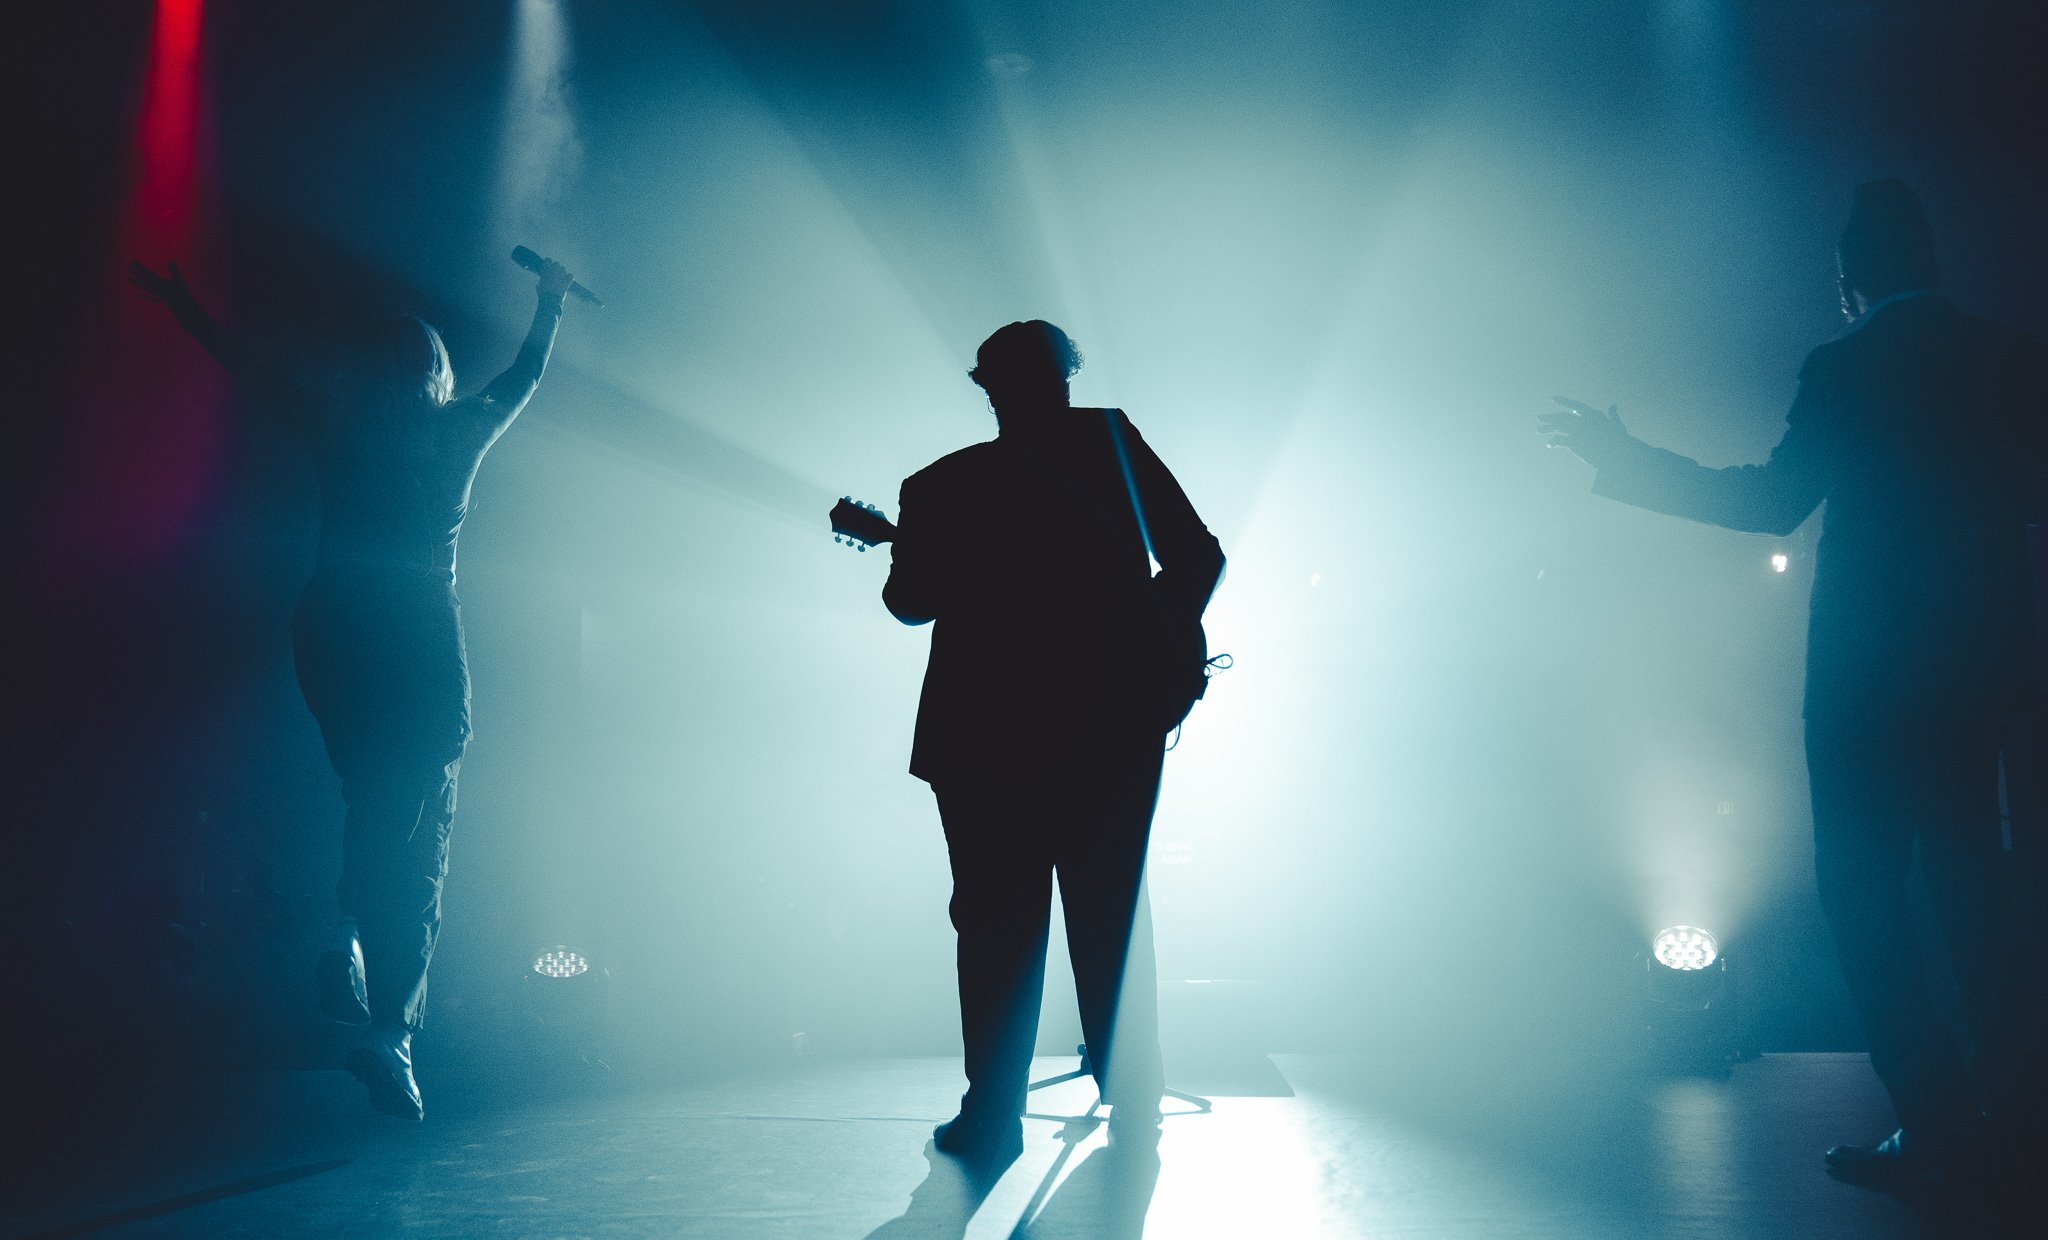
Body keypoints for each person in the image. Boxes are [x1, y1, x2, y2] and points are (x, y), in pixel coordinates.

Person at [1539, 180, 2047, 1187]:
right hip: (1977, 667)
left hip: (1862, 675)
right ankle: (2013, 1124)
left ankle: (1939, 1124)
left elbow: (1767, 502)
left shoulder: (1844, 365)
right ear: (1929, 258)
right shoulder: (2009, 359)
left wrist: (1624, 458)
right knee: (1970, 887)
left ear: (1847, 277)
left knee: (1861, 895)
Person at [129, 255, 581, 1119]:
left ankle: (345, 934)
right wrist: (549, 302)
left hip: (330, 628)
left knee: (373, 799)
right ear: (439, 374)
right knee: (423, 831)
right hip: (414, 635)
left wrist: (184, 303)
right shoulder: (458, 432)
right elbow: (521, 378)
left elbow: (250, 367)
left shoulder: (337, 423)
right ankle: (390, 1032)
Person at [881, 320, 1224, 1168]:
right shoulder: (1108, 441)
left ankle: (992, 1112)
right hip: (1111, 723)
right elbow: (1197, 556)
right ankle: (1130, 1090)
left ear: (986, 385)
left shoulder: (940, 485)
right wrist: (1157, 642)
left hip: (985, 734)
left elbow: (909, 602)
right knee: (1111, 910)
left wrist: (921, 545)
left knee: (996, 921)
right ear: (1064, 377)